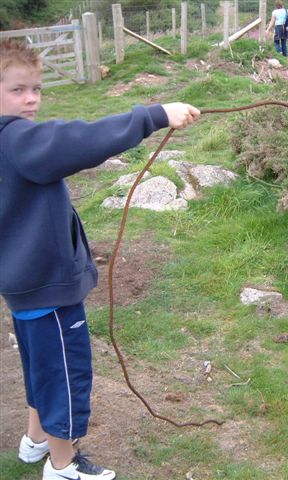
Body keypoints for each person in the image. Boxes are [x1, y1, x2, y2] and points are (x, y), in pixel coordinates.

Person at [0, 39, 200, 480]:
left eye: (36, 88)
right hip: (49, 286)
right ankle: (63, 464)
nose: (31, 99)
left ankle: (35, 442)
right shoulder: (16, 139)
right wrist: (153, 115)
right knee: (64, 378)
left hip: (22, 283)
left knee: (39, 367)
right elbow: (79, 140)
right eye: (17, 89)